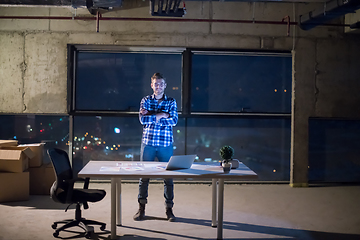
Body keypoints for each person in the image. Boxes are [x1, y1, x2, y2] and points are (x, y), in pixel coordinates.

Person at [133, 72, 178, 222]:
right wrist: (162, 114)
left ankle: (169, 210)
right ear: (151, 85)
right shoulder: (145, 100)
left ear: (165, 85)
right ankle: (141, 209)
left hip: (165, 144)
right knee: (144, 177)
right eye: (155, 84)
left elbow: (174, 121)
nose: (158, 86)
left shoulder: (171, 101)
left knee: (168, 178)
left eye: (161, 84)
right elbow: (142, 119)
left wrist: (153, 115)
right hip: (148, 144)